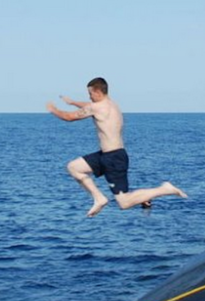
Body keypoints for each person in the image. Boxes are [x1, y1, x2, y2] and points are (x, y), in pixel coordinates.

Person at [46, 77, 188, 217]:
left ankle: (164, 189)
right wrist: (73, 102)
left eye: (90, 94)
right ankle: (99, 199)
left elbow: (69, 117)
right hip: (105, 155)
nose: (89, 97)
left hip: (114, 158)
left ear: (97, 92)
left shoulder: (97, 107)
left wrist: (53, 110)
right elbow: (88, 106)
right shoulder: (111, 104)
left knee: (124, 202)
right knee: (73, 167)